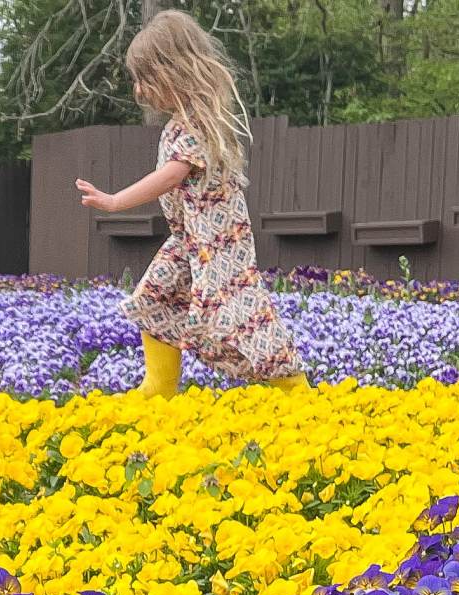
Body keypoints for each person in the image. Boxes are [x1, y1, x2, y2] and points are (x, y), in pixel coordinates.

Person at [75, 10, 307, 397]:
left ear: (172, 72)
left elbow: (171, 175)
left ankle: (295, 389)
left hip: (219, 250)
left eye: (145, 79)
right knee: (154, 298)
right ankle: (159, 387)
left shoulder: (195, 124)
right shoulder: (182, 123)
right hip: (190, 243)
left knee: (241, 319)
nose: (139, 90)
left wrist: (115, 201)